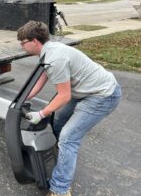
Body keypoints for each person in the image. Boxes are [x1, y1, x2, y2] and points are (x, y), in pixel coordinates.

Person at [17, 21, 122, 196]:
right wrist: (24, 97)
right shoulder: (48, 52)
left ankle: (60, 189)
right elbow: (42, 78)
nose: (21, 46)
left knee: (68, 137)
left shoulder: (55, 58)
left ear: (34, 41)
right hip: (84, 90)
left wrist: (41, 114)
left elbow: (64, 96)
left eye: (23, 43)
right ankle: (64, 159)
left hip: (102, 96)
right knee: (58, 124)